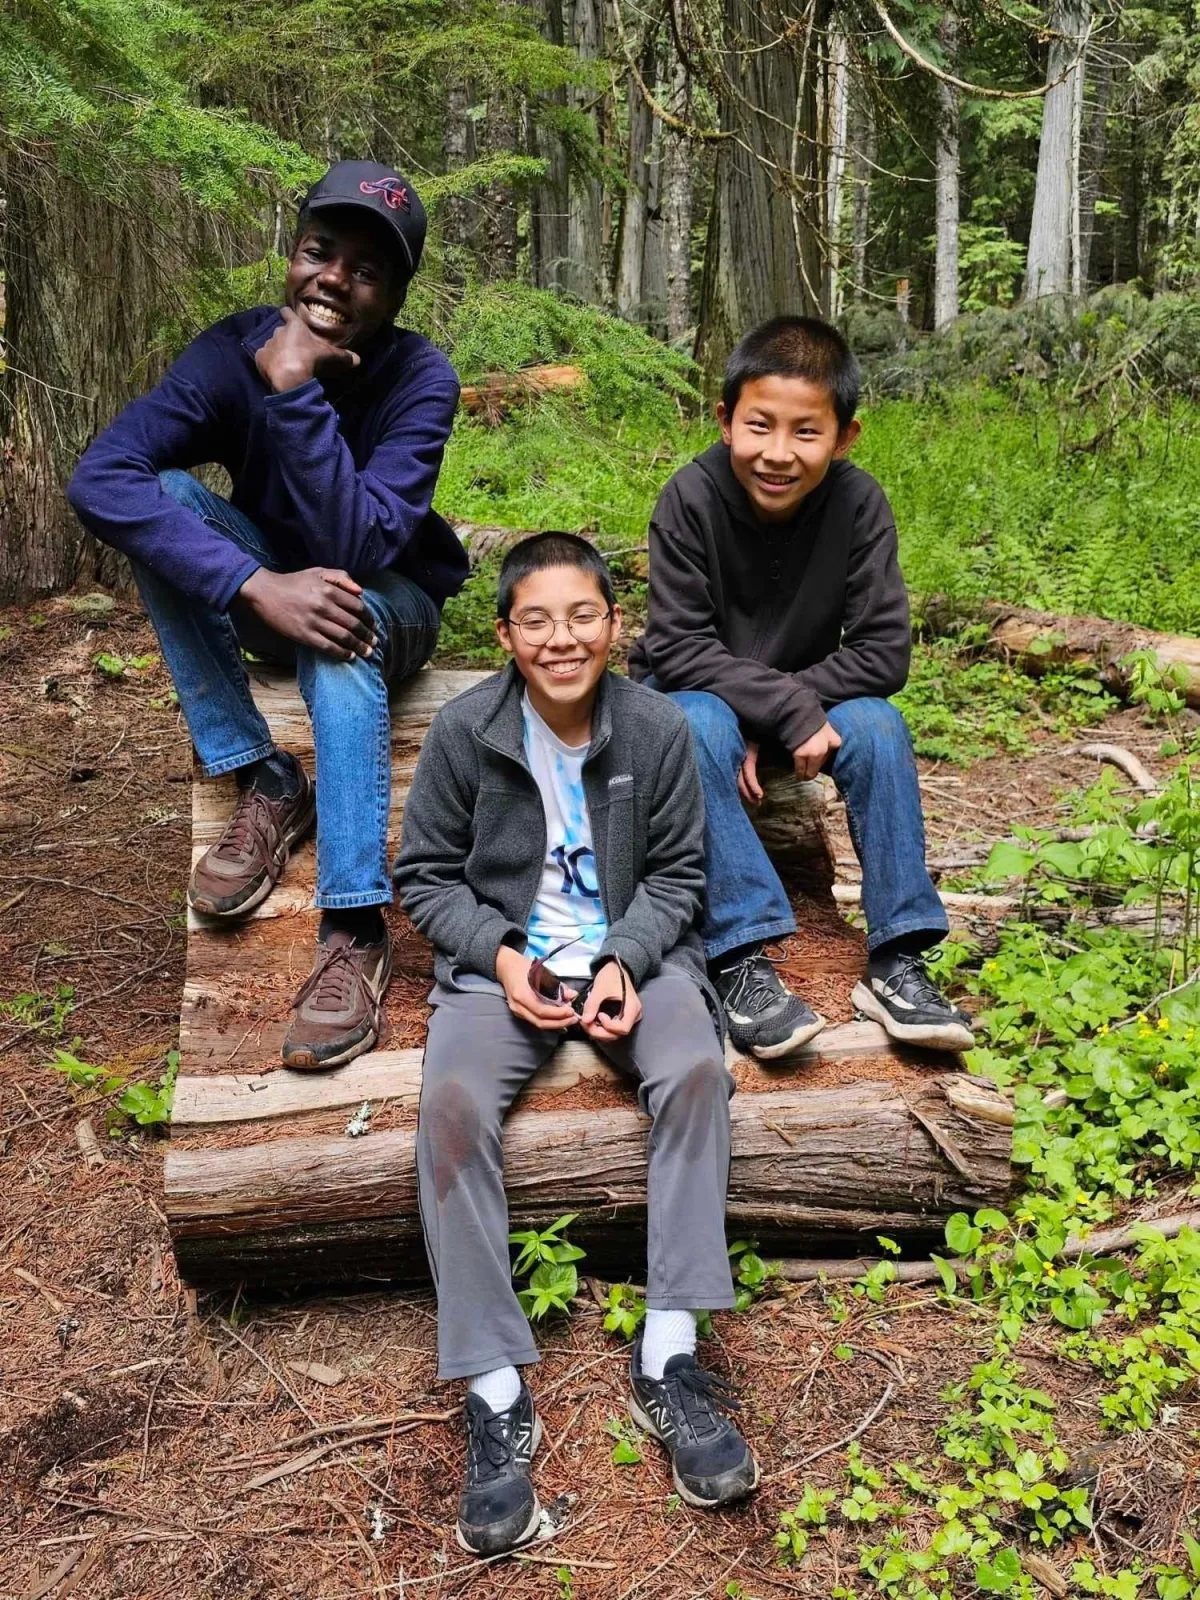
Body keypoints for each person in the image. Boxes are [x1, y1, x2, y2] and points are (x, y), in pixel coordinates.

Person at [395, 533, 758, 1557]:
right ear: (506, 634)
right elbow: (425, 876)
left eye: (583, 616)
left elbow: (683, 874)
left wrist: (626, 961)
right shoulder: (468, 734)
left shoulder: (654, 727)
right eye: (538, 621)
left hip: (636, 962)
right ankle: (497, 1389)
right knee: (452, 1107)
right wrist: (503, 956)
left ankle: (671, 1356)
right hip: (501, 972)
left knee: (694, 1072)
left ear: (614, 623)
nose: (563, 639)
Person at [68, 160, 467, 1070]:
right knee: (163, 492)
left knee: (340, 619)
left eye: (366, 270)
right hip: (273, 592)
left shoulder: (420, 379)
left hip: (391, 599)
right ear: (293, 258)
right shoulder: (228, 350)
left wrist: (293, 391)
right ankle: (264, 776)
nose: (333, 278)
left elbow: (360, 547)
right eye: (320, 253)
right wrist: (254, 586)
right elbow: (100, 478)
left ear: (396, 294)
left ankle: (355, 930)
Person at [628, 316, 973, 1058]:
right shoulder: (689, 498)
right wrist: (780, 707)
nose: (778, 453)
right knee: (696, 723)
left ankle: (898, 956)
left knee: (880, 724)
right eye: (759, 426)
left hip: (798, 711)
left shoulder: (858, 503)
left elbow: (884, 654)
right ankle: (739, 957)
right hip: (696, 703)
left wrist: (784, 710)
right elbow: (679, 648)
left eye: (806, 432)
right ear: (725, 421)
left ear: (845, 436)